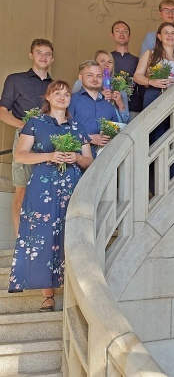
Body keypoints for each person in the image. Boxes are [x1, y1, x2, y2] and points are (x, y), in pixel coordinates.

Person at [8, 80, 93, 312]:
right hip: (42, 187)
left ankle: (74, 291)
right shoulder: (35, 123)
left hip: (72, 187)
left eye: (66, 94)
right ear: (48, 97)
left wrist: (75, 158)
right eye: (57, 93)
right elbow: (21, 156)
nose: (62, 97)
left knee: (71, 234)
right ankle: (47, 296)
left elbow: (89, 161)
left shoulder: (77, 127)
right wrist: (49, 156)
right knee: (43, 235)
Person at [0, 39, 54, 239]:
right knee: (21, 191)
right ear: (31, 55)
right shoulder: (16, 79)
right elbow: (2, 112)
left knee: (46, 192)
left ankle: (42, 240)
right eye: (39, 52)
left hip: (50, 141)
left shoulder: (55, 86)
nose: (43, 56)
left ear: (52, 58)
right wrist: (26, 126)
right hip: (24, 138)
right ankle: (21, 240)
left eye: (47, 53)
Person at [68, 61, 126, 157]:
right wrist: (89, 138)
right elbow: (62, 130)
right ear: (80, 77)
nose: (95, 79)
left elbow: (117, 133)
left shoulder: (109, 105)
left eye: (99, 76)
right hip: (77, 160)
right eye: (90, 75)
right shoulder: (72, 100)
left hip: (104, 160)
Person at [133, 22, 174, 110]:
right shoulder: (150, 54)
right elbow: (137, 76)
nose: (170, 35)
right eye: (166, 32)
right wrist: (151, 81)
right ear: (159, 36)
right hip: (155, 95)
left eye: (173, 33)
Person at [72, 50, 129, 123]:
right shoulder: (81, 82)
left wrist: (120, 104)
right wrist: (99, 97)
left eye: (110, 62)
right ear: (94, 63)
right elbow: (75, 111)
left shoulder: (119, 86)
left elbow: (126, 120)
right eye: (102, 61)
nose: (106, 65)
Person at [109, 21, 139, 96]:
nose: (121, 34)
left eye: (125, 31)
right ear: (112, 35)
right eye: (117, 31)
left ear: (130, 36)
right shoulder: (107, 59)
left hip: (133, 102)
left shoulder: (137, 61)